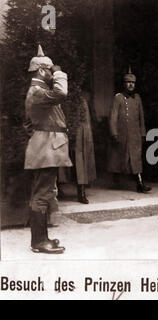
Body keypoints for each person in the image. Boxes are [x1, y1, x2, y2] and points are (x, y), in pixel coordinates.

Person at [24, 45, 72, 254]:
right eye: (50, 70)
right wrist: (60, 73)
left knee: (44, 191)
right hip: (46, 149)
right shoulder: (38, 91)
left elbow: (28, 125)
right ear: (43, 71)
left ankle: (42, 238)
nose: (53, 74)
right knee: (42, 193)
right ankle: (38, 242)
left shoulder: (38, 92)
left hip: (44, 147)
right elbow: (62, 92)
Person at [108, 67, 151, 193]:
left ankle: (140, 183)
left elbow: (141, 117)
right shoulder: (118, 97)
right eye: (128, 82)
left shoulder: (137, 98)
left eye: (133, 83)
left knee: (136, 158)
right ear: (124, 84)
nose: (131, 85)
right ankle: (116, 179)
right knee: (119, 157)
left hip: (135, 135)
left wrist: (143, 133)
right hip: (121, 134)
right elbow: (113, 116)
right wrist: (113, 132)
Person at [58, 90, 97, 204]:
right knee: (61, 161)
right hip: (66, 133)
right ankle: (58, 188)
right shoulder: (63, 100)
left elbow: (89, 119)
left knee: (81, 163)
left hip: (82, 134)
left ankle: (81, 191)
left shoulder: (83, 100)